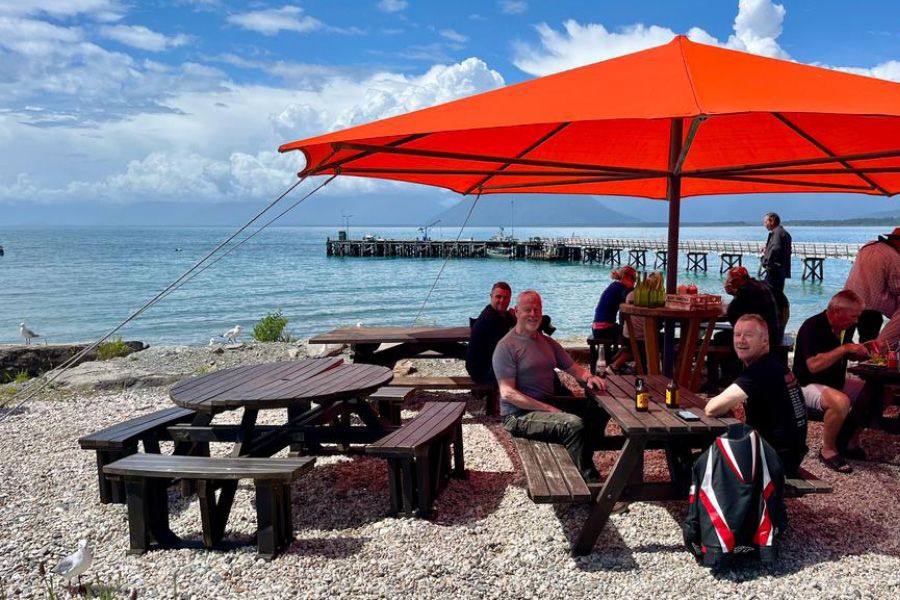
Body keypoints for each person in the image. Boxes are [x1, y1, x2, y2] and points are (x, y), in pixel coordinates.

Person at [494, 290, 610, 482]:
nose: (533, 314)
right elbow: (508, 394)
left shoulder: (546, 342)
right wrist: (548, 409)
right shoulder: (506, 347)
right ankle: (592, 484)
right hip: (518, 415)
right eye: (527, 310)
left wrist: (589, 377)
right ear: (516, 312)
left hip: (548, 403)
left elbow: (573, 369)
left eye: (537, 309)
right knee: (572, 425)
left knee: (601, 407)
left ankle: (581, 456)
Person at [704, 314, 808, 477]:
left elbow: (712, 408)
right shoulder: (773, 364)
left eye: (749, 335)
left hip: (775, 460)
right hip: (788, 454)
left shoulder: (762, 370)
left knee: (697, 463)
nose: (741, 340)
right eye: (737, 335)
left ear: (765, 341)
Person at [793, 290, 870, 472]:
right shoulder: (812, 326)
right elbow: (813, 365)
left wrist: (861, 352)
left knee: (876, 391)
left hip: (834, 381)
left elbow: (840, 354)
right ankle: (827, 449)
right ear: (836, 312)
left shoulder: (845, 327)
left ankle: (849, 440)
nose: (856, 321)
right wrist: (844, 349)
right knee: (840, 401)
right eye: (853, 316)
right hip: (806, 384)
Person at [844, 226, 900, 343]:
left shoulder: (867, 247)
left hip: (847, 301)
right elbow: (897, 288)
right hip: (870, 309)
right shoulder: (893, 257)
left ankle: (841, 361)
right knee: (868, 346)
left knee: (843, 342)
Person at [465, 282, 516, 384]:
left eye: (506, 298)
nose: (502, 301)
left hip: (490, 362)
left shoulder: (500, 314)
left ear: (510, 299)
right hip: (482, 370)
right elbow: (504, 349)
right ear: (491, 297)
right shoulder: (488, 319)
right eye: (498, 297)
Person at [721, 266, 781, 346]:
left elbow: (732, 314)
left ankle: (735, 357)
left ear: (738, 280)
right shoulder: (759, 285)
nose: (732, 284)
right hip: (774, 334)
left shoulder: (745, 290)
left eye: (733, 282)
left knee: (720, 337)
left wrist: (722, 307)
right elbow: (746, 306)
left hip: (763, 338)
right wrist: (735, 293)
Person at [591, 266, 637, 339]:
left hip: (596, 328)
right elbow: (626, 311)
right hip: (605, 330)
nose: (635, 282)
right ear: (627, 277)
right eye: (634, 279)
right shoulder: (622, 289)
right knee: (633, 333)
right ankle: (628, 349)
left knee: (626, 330)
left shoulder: (614, 286)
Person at [761, 212, 792, 293]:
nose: (764, 224)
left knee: (767, 294)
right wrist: (767, 249)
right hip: (782, 270)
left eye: (765, 222)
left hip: (775, 270)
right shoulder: (784, 233)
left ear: (772, 221)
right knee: (777, 295)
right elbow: (782, 249)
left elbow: (775, 248)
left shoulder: (777, 232)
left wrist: (768, 264)